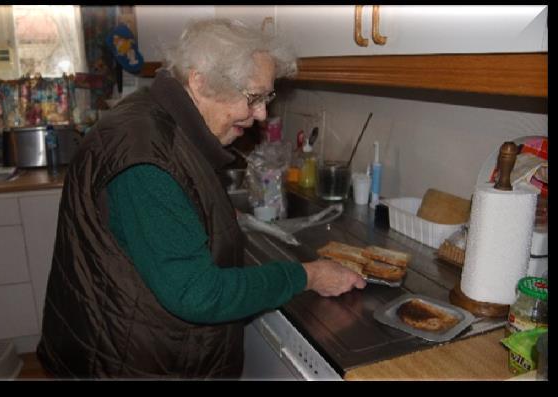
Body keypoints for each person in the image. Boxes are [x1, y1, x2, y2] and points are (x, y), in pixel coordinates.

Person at [37, 18, 366, 380]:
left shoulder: (158, 120)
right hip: (128, 361)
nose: (261, 115)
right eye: (254, 97)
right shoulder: (145, 160)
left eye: (266, 98)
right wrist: (308, 275)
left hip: (125, 344)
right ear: (200, 81)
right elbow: (198, 294)